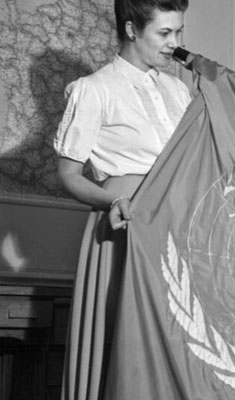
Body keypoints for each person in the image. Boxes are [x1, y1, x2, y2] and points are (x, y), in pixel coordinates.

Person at [53, 0, 191, 398]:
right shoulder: (93, 90)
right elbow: (68, 175)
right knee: (127, 346)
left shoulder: (178, 89)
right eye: (164, 33)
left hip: (175, 226)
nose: (174, 44)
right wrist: (110, 202)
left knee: (175, 343)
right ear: (132, 30)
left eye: (178, 32)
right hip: (124, 224)